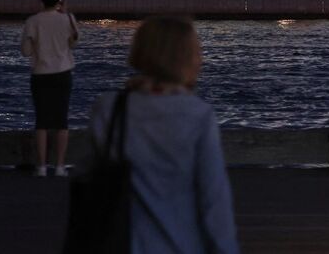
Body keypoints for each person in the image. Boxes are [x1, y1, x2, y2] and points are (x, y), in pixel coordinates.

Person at [88, 16, 238, 254]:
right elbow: (214, 201)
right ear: (186, 58)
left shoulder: (107, 109)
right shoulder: (197, 115)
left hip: (118, 241)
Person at [21, 0, 78, 177]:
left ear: (41, 1)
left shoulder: (32, 21)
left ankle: (42, 167)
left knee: (42, 121)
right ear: (60, 1)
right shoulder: (68, 19)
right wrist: (66, 14)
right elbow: (74, 43)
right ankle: (61, 166)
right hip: (63, 73)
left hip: (40, 74)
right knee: (62, 121)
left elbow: (26, 51)